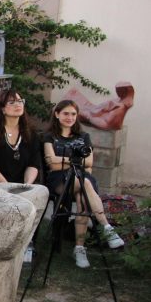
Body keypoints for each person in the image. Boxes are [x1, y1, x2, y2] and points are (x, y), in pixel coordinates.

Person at [43, 99, 124, 268]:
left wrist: (64, 160)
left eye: (73, 114)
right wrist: (74, 161)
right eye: (66, 113)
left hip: (81, 177)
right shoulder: (50, 136)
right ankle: (107, 228)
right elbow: (51, 163)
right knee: (86, 184)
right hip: (59, 180)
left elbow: (88, 163)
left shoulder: (83, 136)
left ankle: (79, 248)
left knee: (83, 200)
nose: (70, 117)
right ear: (57, 114)